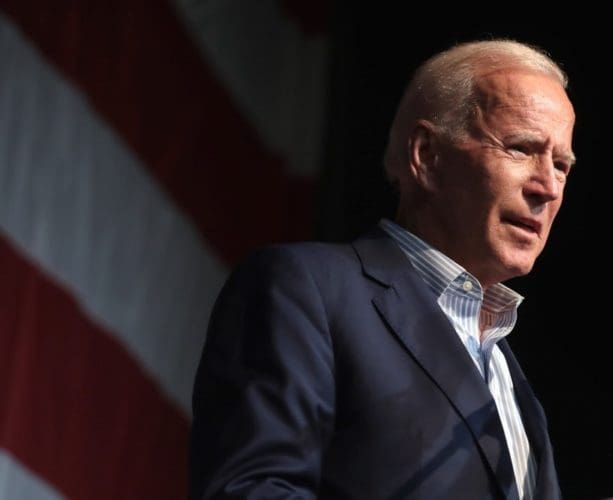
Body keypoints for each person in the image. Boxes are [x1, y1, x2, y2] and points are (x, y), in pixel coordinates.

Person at [189, 38, 576, 500]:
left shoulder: (509, 375)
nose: (548, 187)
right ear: (426, 156)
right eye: (520, 148)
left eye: (561, 164)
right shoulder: (307, 290)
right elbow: (251, 491)